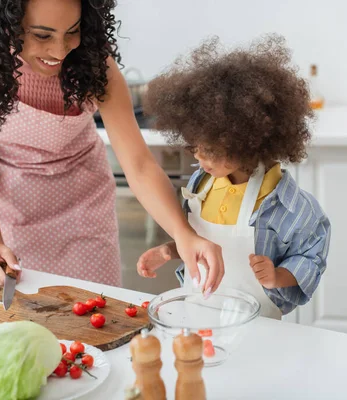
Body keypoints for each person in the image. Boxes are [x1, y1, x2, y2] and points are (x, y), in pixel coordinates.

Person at [0, 0, 224, 291]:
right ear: (5, 22)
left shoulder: (95, 63)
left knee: (94, 318)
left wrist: (183, 233)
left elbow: (139, 164)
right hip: (8, 213)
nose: (60, 50)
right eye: (42, 35)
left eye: (72, 31)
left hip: (83, 210)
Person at [136, 34, 331, 319]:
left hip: (260, 327)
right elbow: (196, 242)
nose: (199, 160)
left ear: (248, 140)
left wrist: (277, 275)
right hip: (195, 316)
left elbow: (311, 258)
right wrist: (169, 250)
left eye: (211, 151)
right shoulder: (201, 186)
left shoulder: (291, 207)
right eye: (195, 148)